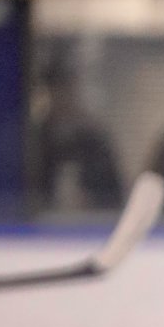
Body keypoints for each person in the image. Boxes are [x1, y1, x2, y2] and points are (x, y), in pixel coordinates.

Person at [31, 56, 124, 212]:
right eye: (57, 90)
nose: (63, 97)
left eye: (68, 88)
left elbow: (114, 196)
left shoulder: (95, 139)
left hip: (90, 221)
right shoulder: (35, 140)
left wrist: (92, 202)